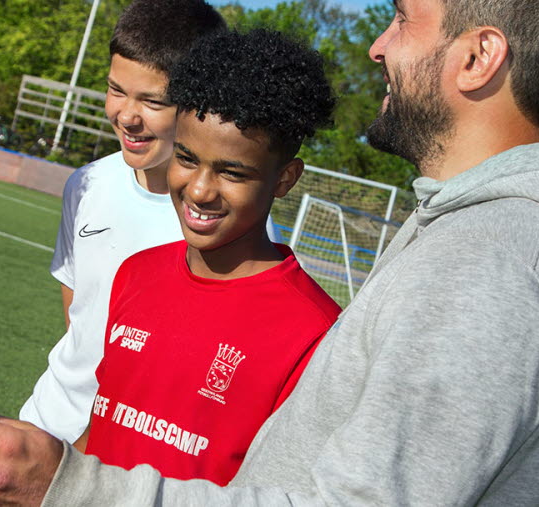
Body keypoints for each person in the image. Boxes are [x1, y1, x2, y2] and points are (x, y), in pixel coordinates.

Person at [0, 0, 539, 504]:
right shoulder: (485, 238)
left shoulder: (499, 267)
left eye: (404, 19)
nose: (378, 47)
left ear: (479, 57)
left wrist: (70, 488)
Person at [66, 28, 339, 487]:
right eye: (187, 158)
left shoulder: (316, 336)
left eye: (232, 172)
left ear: (285, 179)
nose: (198, 190)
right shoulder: (137, 273)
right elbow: (102, 428)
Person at [18, 0, 229, 443]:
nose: (127, 116)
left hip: (124, 453)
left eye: (152, 101)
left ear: (199, 103)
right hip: (45, 424)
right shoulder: (86, 183)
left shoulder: (227, 224)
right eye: (117, 90)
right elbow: (79, 318)